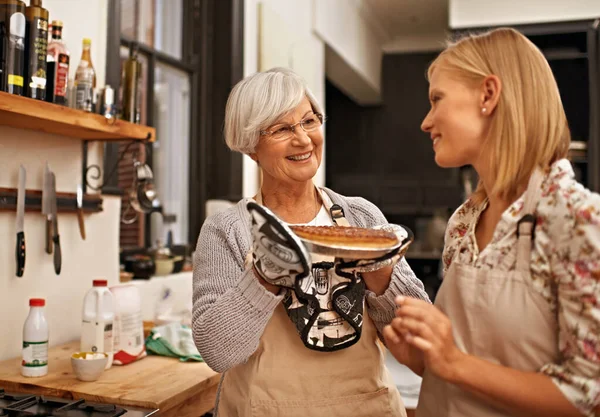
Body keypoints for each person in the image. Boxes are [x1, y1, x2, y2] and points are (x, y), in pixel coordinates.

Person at [383, 27, 600, 417]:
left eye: (437, 99)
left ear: (488, 94)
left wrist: (452, 362)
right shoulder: (463, 223)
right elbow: (460, 372)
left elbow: (590, 395)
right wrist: (422, 357)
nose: (426, 122)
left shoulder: (575, 218)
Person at [192, 67, 430, 416]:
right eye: (282, 129)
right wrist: (264, 278)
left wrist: (379, 269)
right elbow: (217, 351)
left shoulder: (360, 216)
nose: (303, 139)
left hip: (367, 407)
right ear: (250, 146)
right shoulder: (228, 229)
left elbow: (417, 337)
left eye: (309, 121)